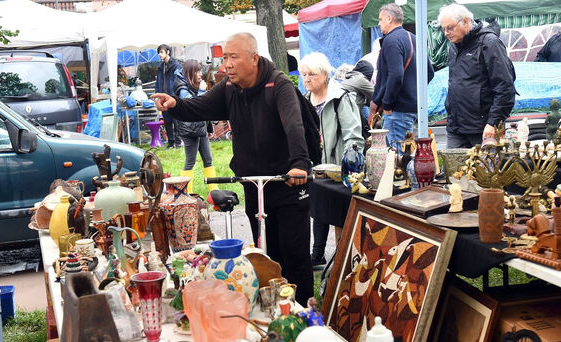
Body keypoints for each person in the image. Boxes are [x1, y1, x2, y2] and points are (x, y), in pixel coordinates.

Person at [152, 32, 314, 305]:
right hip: (254, 184)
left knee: (294, 255)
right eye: (224, 56)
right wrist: (176, 104)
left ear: (253, 58)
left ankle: (305, 314)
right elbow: (201, 106)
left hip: (287, 183)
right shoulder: (229, 88)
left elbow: (294, 126)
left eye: (233, 57)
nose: (226, 63)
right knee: (267, 256)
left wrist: (299, 164)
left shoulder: (279, 84)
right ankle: (272, 309)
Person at [300, 52, 365, 268]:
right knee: (317, 205)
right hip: (315, 165)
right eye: (303, 75)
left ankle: (345, 258)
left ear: (325, 75)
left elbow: (353, 136)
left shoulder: (341, 98)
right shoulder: (305, 100)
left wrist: (347, 165)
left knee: (339, 213)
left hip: (337, 167)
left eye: (312, 74)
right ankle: (317, 255)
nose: (306, 79)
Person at [438, 3, 516, 148]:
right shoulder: (454, 47)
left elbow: (505, 87)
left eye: (450, 28)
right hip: (456, 127)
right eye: (443, 29)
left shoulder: (489, 43)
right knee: (453, 170)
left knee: (486, 170)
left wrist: (493, 123)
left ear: (466, 21)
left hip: (483, 129)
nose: (446, 33)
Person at [369, 3, 434, 150]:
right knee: (405, 155)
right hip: (412, 108)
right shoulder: (414, 38)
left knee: (397, 160)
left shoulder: (391, 40)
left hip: (397, 110)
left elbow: (396, 75)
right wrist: (412, 91)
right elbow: (429, 73)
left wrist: (387, 104)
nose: (379, 24)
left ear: (389, 19)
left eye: (380, 19)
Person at [172, 59, 218, 193]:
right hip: (189, 130)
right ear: (190, 73)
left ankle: (214, 190)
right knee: (190, 161)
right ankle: (186, 193)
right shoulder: (182, 88)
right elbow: (192, 105)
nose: (200, 74)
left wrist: (209, 128)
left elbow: (205, 109)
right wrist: (202, 91)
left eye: (200, 71)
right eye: (197, 71)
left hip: (200, 128)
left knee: (208, 160)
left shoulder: (194, 85)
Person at [155, 44, 183, 149]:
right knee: (167, 121)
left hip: (174, 97)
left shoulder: (176, 66)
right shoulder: (160, 67)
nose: (159, 54)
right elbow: (158, 83)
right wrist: (157, 96)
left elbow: (179, 81)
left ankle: (178, 143)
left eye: (161, 52)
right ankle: (171, 143)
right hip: (163, 98)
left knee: (176, 120)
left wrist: (177, 95)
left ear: (168, 52)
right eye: (159, 52)